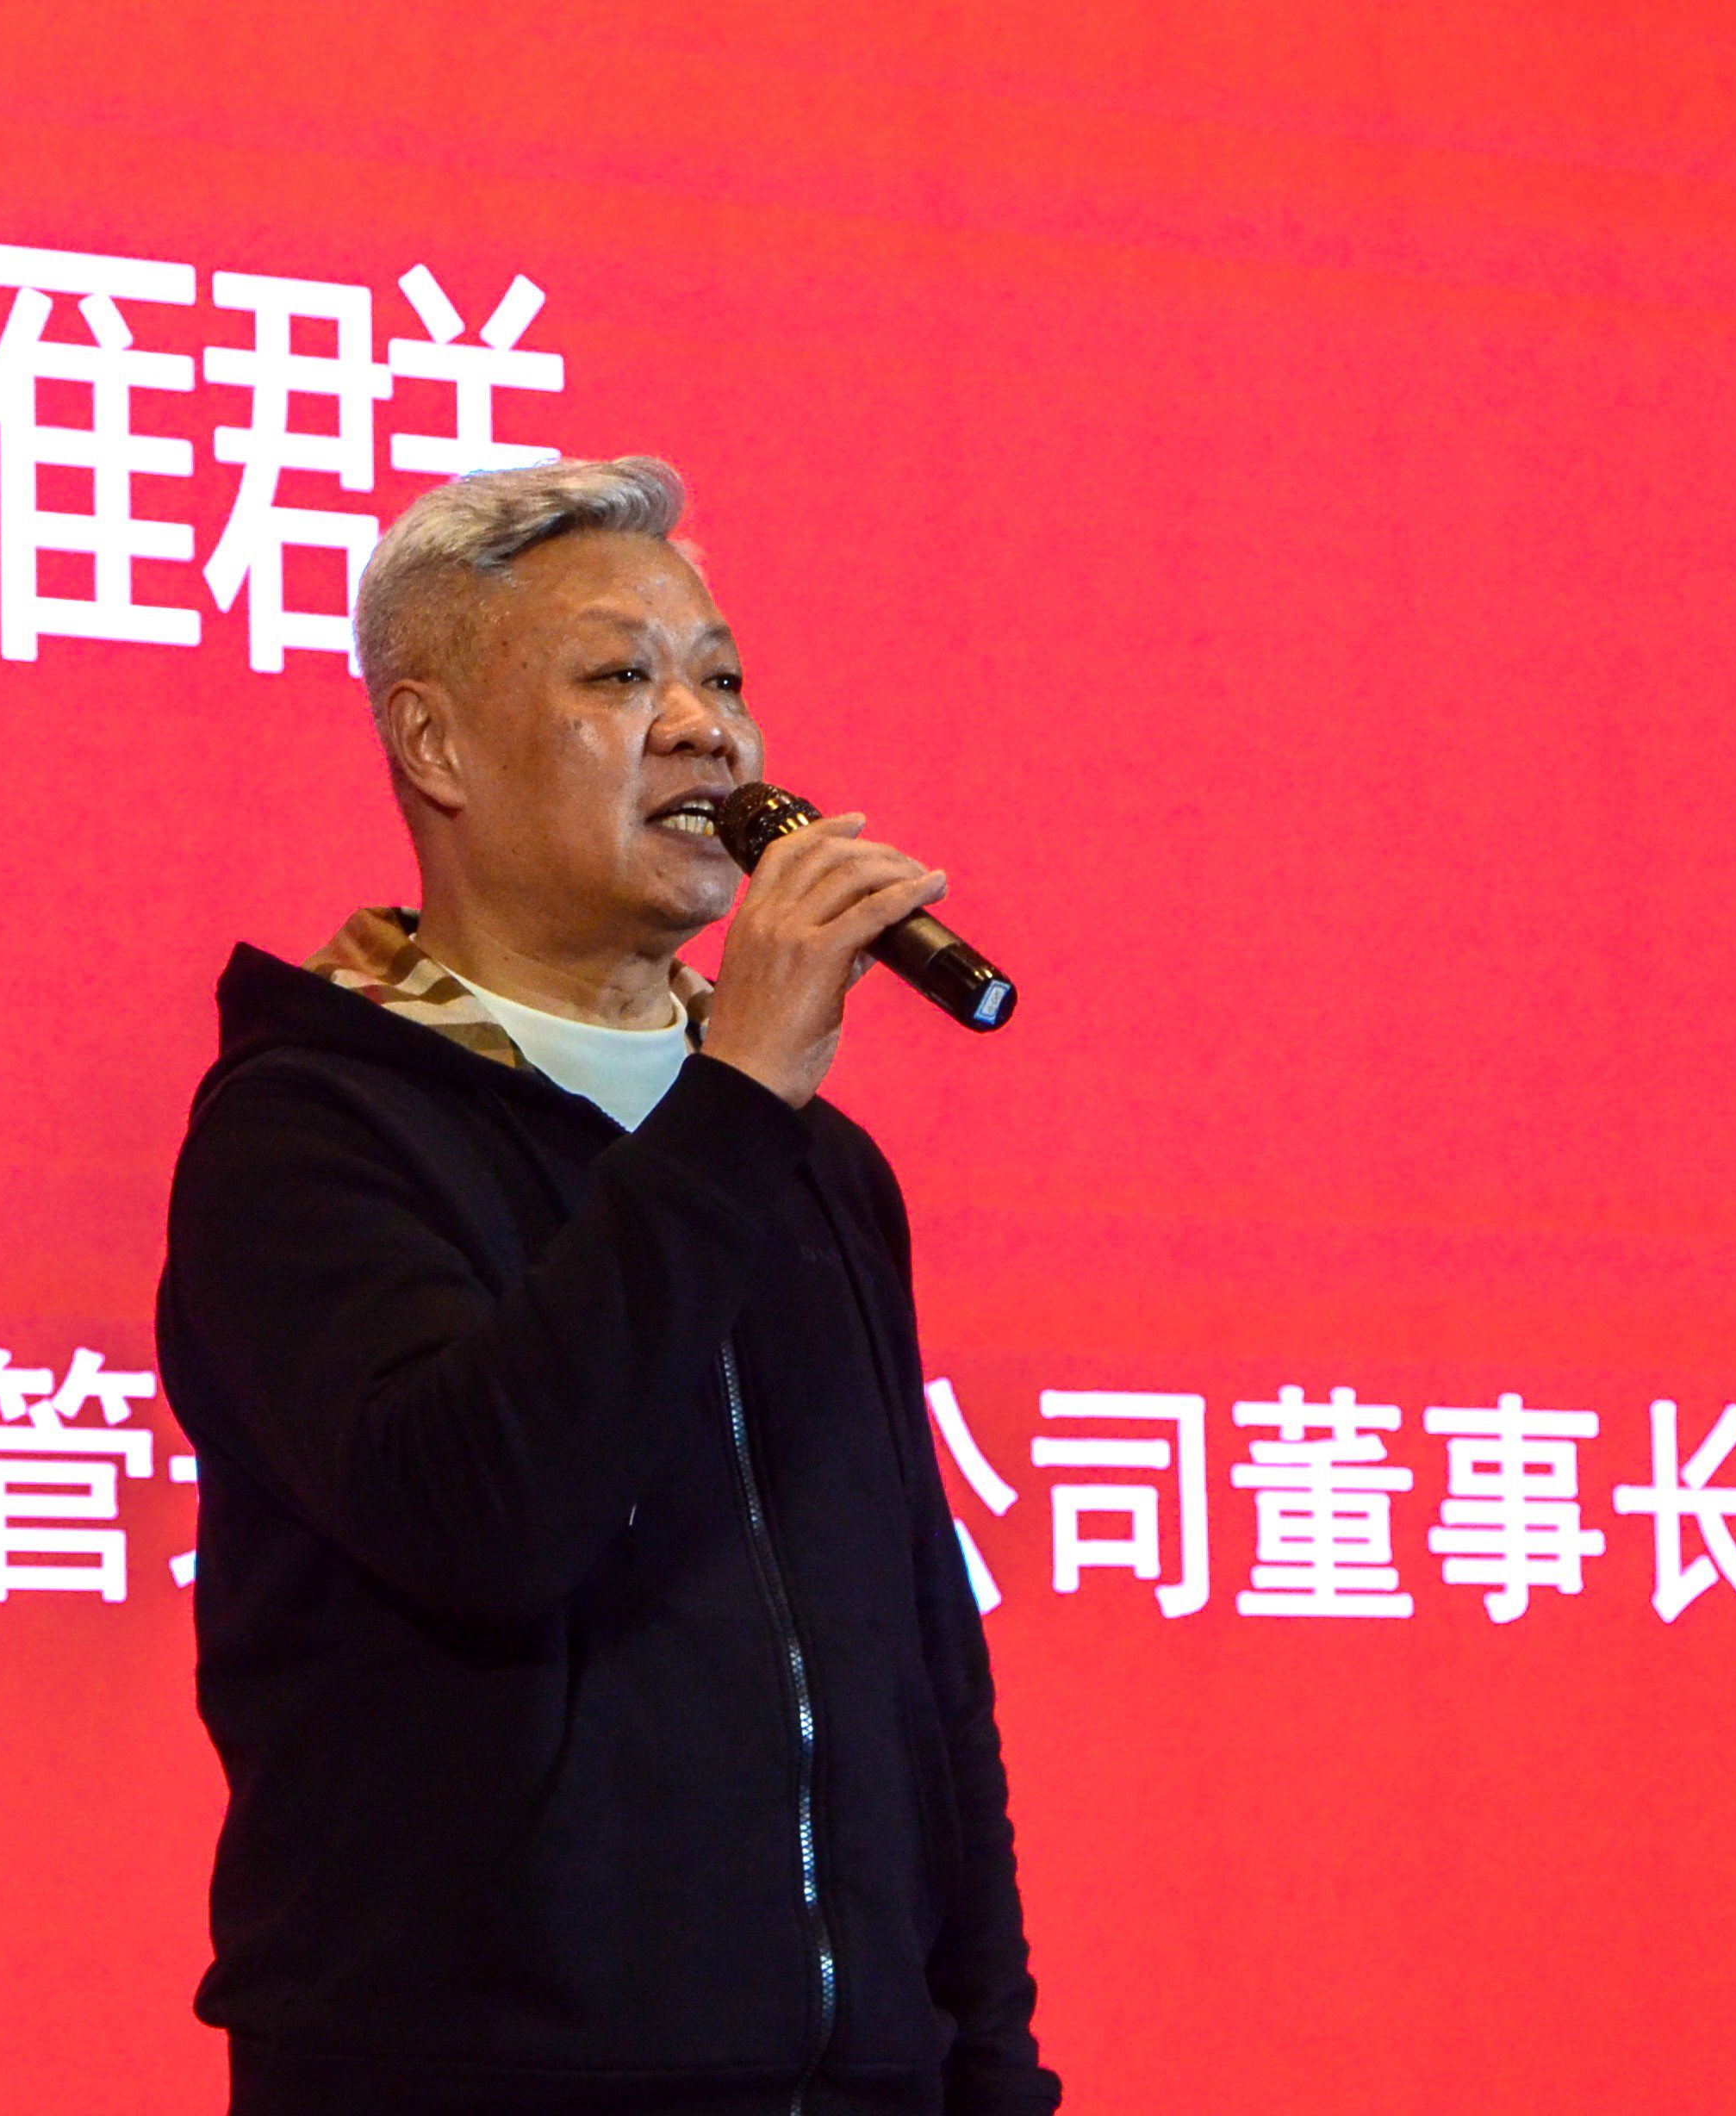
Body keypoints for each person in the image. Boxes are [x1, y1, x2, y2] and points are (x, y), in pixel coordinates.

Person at [156, 457, 1059, 2116]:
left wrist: (986, 2068)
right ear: (435, 746)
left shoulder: (815, 1164)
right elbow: (484, 1514)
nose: (707, 731)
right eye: (622, 677)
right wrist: (742, 1094)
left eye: (723, 677)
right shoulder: (310, 1131)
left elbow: (925, 1664)